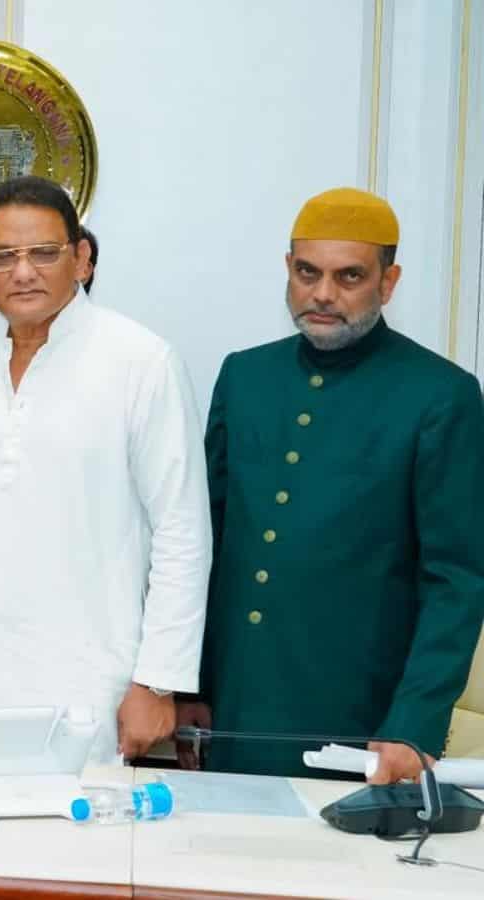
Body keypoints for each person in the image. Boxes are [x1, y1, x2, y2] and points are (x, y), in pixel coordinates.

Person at [0, 176, 211, 768]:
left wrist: (159, 679)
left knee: (67, 847)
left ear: (80, 258)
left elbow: (182, 532)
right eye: (3, 256)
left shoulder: (141, 362)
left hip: (84, 675)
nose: (22, 272)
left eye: (43, 254)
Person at [180, 187, 484, 782]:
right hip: (237, 707)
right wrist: (187, 685)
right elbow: (204, 543)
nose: (323, 294)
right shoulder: (245, 375)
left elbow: (456, 579)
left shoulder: (441, 394)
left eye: (349, 276)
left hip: (364, 718)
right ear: (288, 271)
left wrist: (414, 723)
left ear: (387, 282)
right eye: (307, 272)